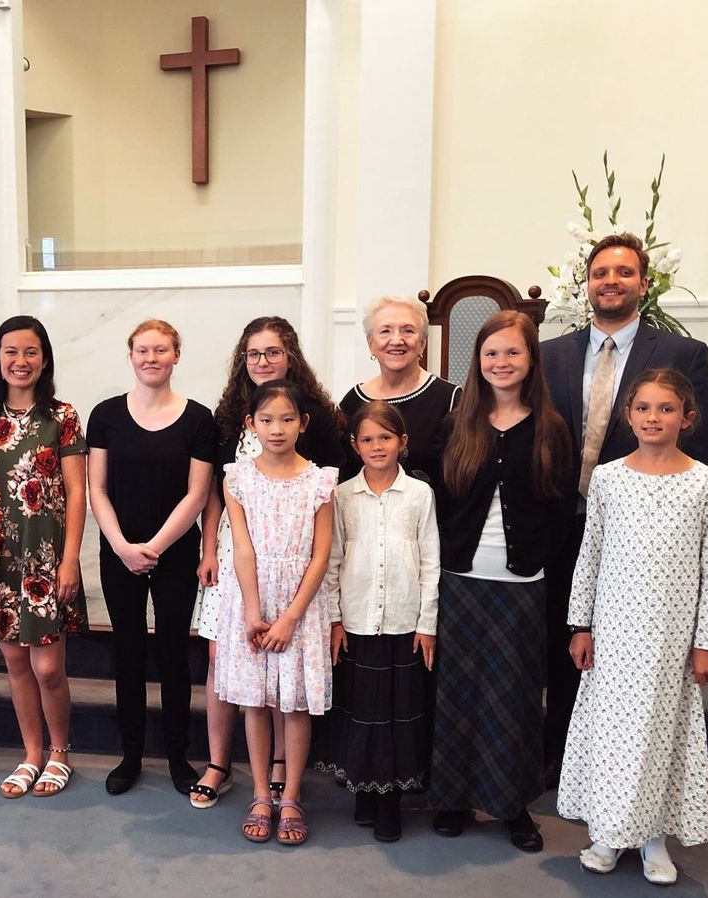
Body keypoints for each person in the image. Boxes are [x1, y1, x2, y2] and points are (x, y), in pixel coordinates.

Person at [541, 233, 708, 784]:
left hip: (640, 532)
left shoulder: (681, 353)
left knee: (629, 659)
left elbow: (706, 437)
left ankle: (632, 766)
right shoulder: (553, 353)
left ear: (644, 284)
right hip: (558, 521)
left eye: (624, 273)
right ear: (587, 284)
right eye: (601, 273)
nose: (611, 282)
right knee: (565, 638)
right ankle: (562, 757)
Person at [557, 369, 708, 886]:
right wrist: (580, 624)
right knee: (613, 734)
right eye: (644, 408)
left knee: (658, 735)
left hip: (670, 639)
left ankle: (654, 835)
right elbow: (590, 555)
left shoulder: (707, 484)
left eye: (666, 409)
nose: (654, 417)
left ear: (687, 417)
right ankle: (608, 832)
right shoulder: (609, 478)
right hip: (614, 632)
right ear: (627, 416)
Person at [429, 310, 576, 852]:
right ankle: (451, 798)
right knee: (458, 693)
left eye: (512, 352)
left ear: (530, 360)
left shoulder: (550, 429)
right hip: (461, 580)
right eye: (491, 353)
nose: (501, 362)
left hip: (522, 585)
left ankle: (512, 804)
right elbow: (440, 502)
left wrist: (535, 559)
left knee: (513, 696)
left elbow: (561, 510)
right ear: (479, 361)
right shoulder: (456, 425)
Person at [192, 316, 343, 808]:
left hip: (296, 569)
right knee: (227, 660)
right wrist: (209, 546)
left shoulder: (315, 423)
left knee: (287, 679)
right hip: (241, 564)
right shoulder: (229, 415)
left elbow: (321, 533)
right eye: (254, 353)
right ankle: (223, 764)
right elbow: (220, 491)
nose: (262, 361)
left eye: (272, 352)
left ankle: (284, 771)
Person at [0, 315, 88, 798]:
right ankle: (31, 752)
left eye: (31, 352)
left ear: (45, 359)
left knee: (48, 667)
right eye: (11, 351)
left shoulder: (63, 416)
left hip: (46, 556)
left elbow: (77, 492)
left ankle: (60, 752)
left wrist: (71, 558)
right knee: (15, 663)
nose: (20, 361)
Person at [87, 319, 215, 796]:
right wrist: (122, 545)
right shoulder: (105, 415)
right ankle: (131, 754)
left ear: (176, 355)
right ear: (131, 355)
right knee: (128, 652)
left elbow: (197, 495)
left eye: (161, 350)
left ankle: (179, 756)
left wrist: (155, 548)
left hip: (175, 552)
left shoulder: (199, 419)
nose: (151, 358)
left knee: (173, 655)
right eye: (143, 350)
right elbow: (96, 487)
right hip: (118, 549)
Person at [211, 380, 337, 846]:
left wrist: (289, 618)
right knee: (256, 701)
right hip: (251, 600)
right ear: (251, 424)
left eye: (287, 419)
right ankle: (262, 794)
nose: (277, 429)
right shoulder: (238, 477)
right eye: (266, 420)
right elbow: (241, 548)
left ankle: (292, 797)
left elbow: (321, 556)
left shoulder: (321, 480)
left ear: (303, 423)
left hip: (300, 605)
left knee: (296, 703)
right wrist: (252, 611)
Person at [324, 401, 439, 842]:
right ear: (355, 445)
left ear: (402, 443)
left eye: (386, 438)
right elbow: (333, 560)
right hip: (356, 621)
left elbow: (431, 560)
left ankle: (390, 799)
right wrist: (335, 620)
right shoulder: (341, 496)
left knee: (396, 716)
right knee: (362, 714)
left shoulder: (419, 495)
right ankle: (363, 792)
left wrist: (426, 622)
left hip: (404, 625)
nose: (377, 446)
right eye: (368, 439)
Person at [340, 295, 461, 482]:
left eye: (408, 331)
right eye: (385, 331)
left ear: (422, 342)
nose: (396, 340)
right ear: (371, 343)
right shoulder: (352, 402)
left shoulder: (452, 399)